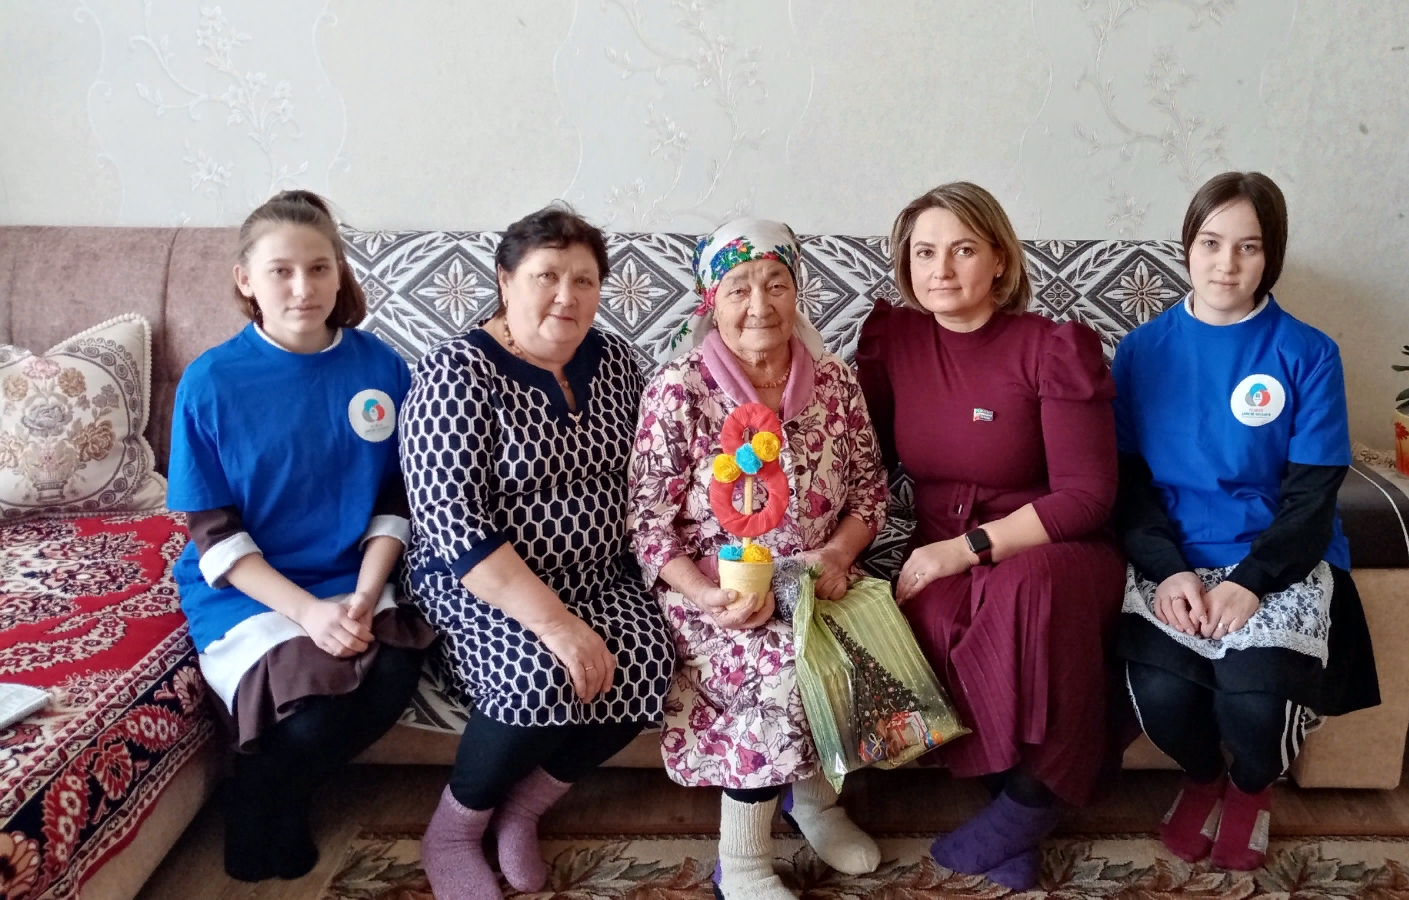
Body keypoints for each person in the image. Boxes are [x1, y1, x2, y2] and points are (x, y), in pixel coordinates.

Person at [855, 182, 1124, 890]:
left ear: (1000, 259)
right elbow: (856, 453)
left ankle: (1034, 802)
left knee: (1027, 591)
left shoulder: (1052, 347)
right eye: (924, 252)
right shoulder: (894, 340)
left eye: (963, 250)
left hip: (1053, 546)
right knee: (931, 615)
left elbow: (1088, 496)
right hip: (939, 545)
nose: (940, 269)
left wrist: (966, 549)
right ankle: (1011, 805)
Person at [402, 205, 675, 900]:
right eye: (546, 276)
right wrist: (556, 624)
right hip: (484, 582)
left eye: (584, 280)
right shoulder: (455, 375)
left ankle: (523, 808)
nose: (566, 296)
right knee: (540, 675)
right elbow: (454, 525)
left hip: (596, 575)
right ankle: (454, 829)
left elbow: (651, 474)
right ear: (504, 280)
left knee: (652, 658)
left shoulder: (615, 362)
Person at [1113, 171, 1380, 871]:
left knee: (1256, 710)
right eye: (1210, 242)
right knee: (1163, 699)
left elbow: (1312, 496)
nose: (1225, 264)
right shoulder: (1140, 352)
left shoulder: (1308, 353)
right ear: (1187, 246)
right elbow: (1128, 486)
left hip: (1277, 558)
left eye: (1248, 247)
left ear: (1272, 256)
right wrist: (1169, 569)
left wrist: (1252, 582)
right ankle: (1204, 778)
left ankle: (1252, 786)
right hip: (1174, 556)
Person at [166, 190, 432, 882]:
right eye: (280, 271)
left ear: (339, 273)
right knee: (309, 716)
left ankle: (284, 791)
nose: (303, 288)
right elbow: (214, 532)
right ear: (245, 280)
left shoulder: (381, 368)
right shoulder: (210, 382)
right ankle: (259, 794)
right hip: (250, 586)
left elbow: (395, 497)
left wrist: (364, 594)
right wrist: (309, 613)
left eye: (319, 268)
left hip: (352, 574)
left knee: (391, 673)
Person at [628, 219, 889, 900]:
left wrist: (837, 555)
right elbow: (648, 523)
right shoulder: (680, 387)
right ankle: (741, 862)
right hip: (713, 588)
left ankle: (817, 806)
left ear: (798, 292)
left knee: (854, 643)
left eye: (776, 283)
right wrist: (704, 593)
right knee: (777, 667)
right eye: (738, 287)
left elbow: (870, 492)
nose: (759, 304)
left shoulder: (834, 381)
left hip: (819, 576)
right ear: (710, 300)